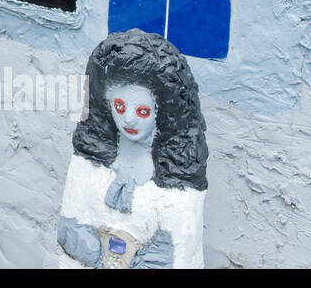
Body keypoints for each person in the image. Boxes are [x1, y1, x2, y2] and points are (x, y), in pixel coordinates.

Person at [57, 29, 209, 269]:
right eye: (119, 106)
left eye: (142, 111)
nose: (128, 119)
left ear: (163, 112)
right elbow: (68, 230)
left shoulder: (178, 184)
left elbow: (178, 253)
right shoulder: (88, 162)